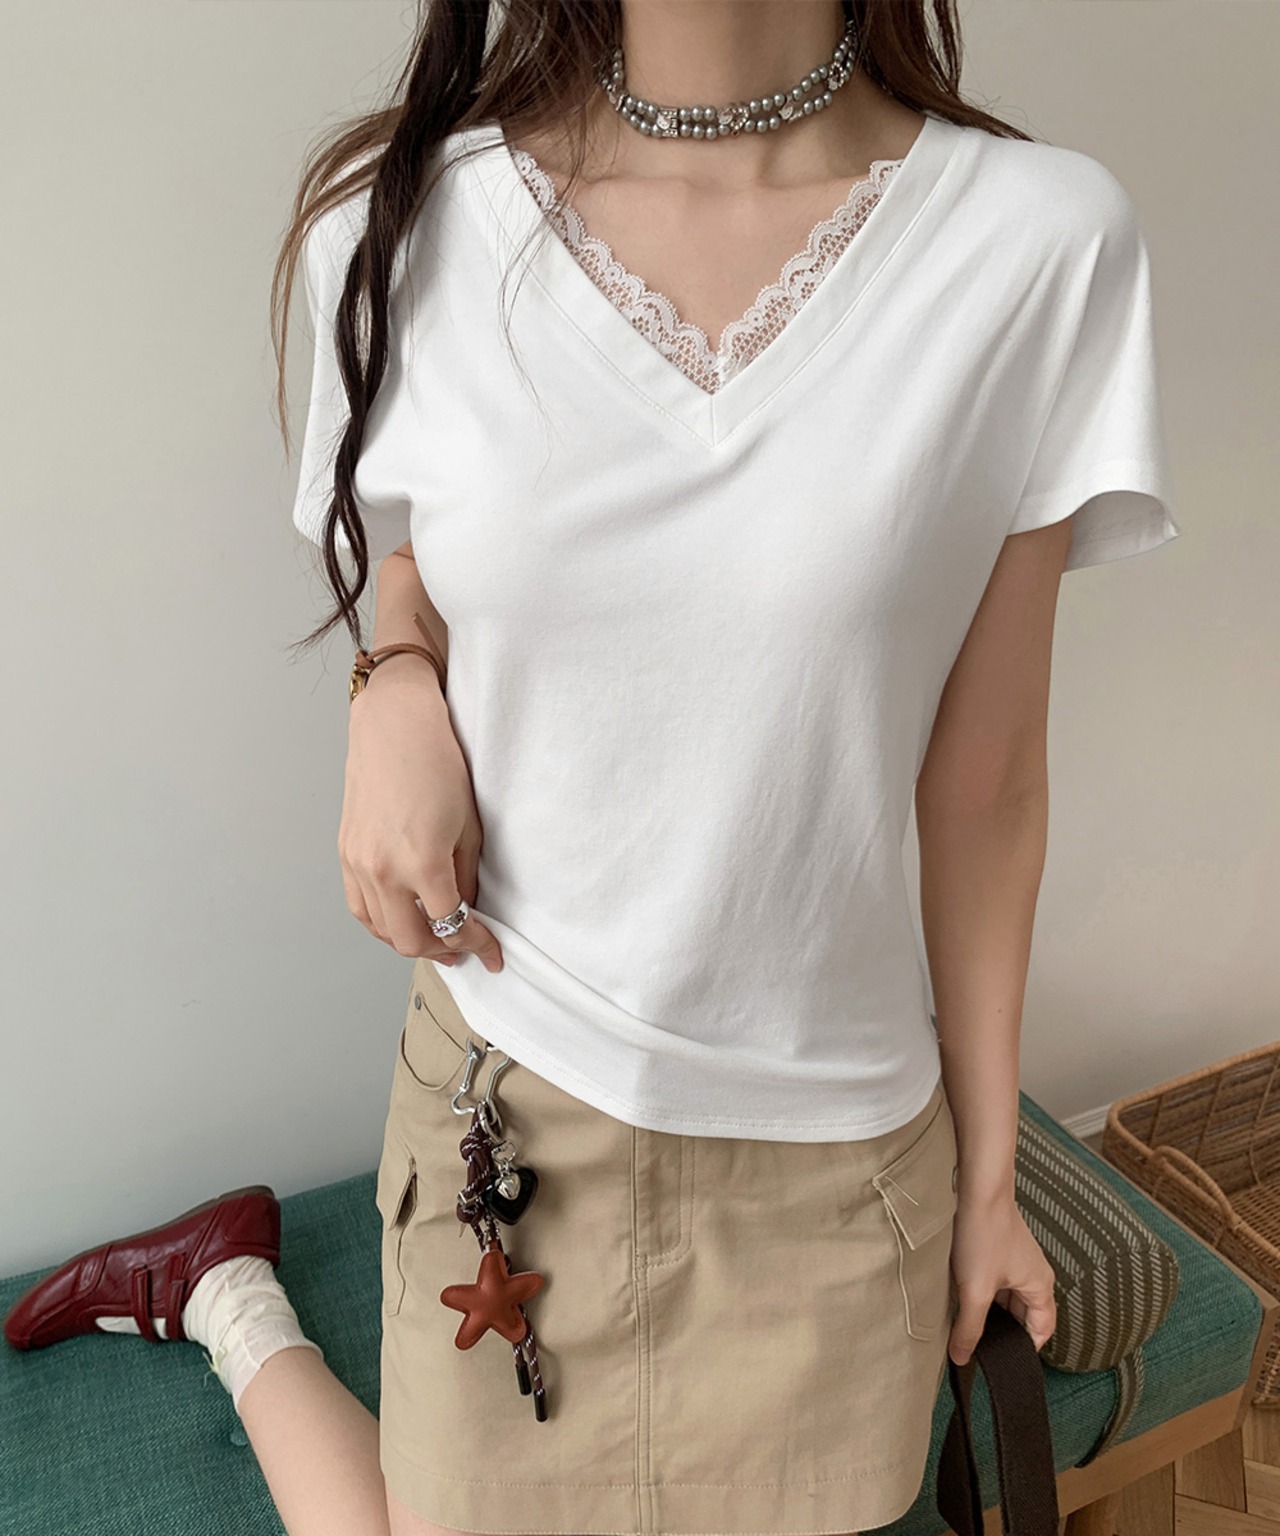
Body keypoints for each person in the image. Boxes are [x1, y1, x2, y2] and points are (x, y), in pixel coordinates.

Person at [4, 1, 1181, 1533]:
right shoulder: (399, 226)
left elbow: (988, 782)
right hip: (508, 1121)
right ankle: (232, 1302)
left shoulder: (1036, 245)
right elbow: (460, 547)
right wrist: (392, 672)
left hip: (832, 1168)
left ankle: (224, 1289)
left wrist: (988, 1183)